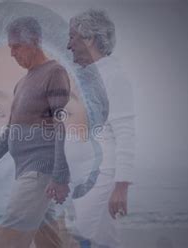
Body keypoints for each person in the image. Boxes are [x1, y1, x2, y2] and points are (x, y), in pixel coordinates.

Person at [0, 2, 109, 247]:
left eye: (16, 46)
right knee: (47, 237)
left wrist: (59, 176)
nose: (13, 53)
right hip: (26, 168)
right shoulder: (24, 83)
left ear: (34, 41)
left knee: (10, 237)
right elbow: (11, 131)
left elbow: (58, 125)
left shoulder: (55, 73)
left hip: (39, 170)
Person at [66, 9, 136, 248]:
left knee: (91, 239)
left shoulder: (114, 76)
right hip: (84, 176)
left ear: (89, 39)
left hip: (101, 176)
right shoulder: (89, 77)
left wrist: (121, 187)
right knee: (101, 240)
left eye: (73, 37)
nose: (69, 45)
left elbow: (125, 133)